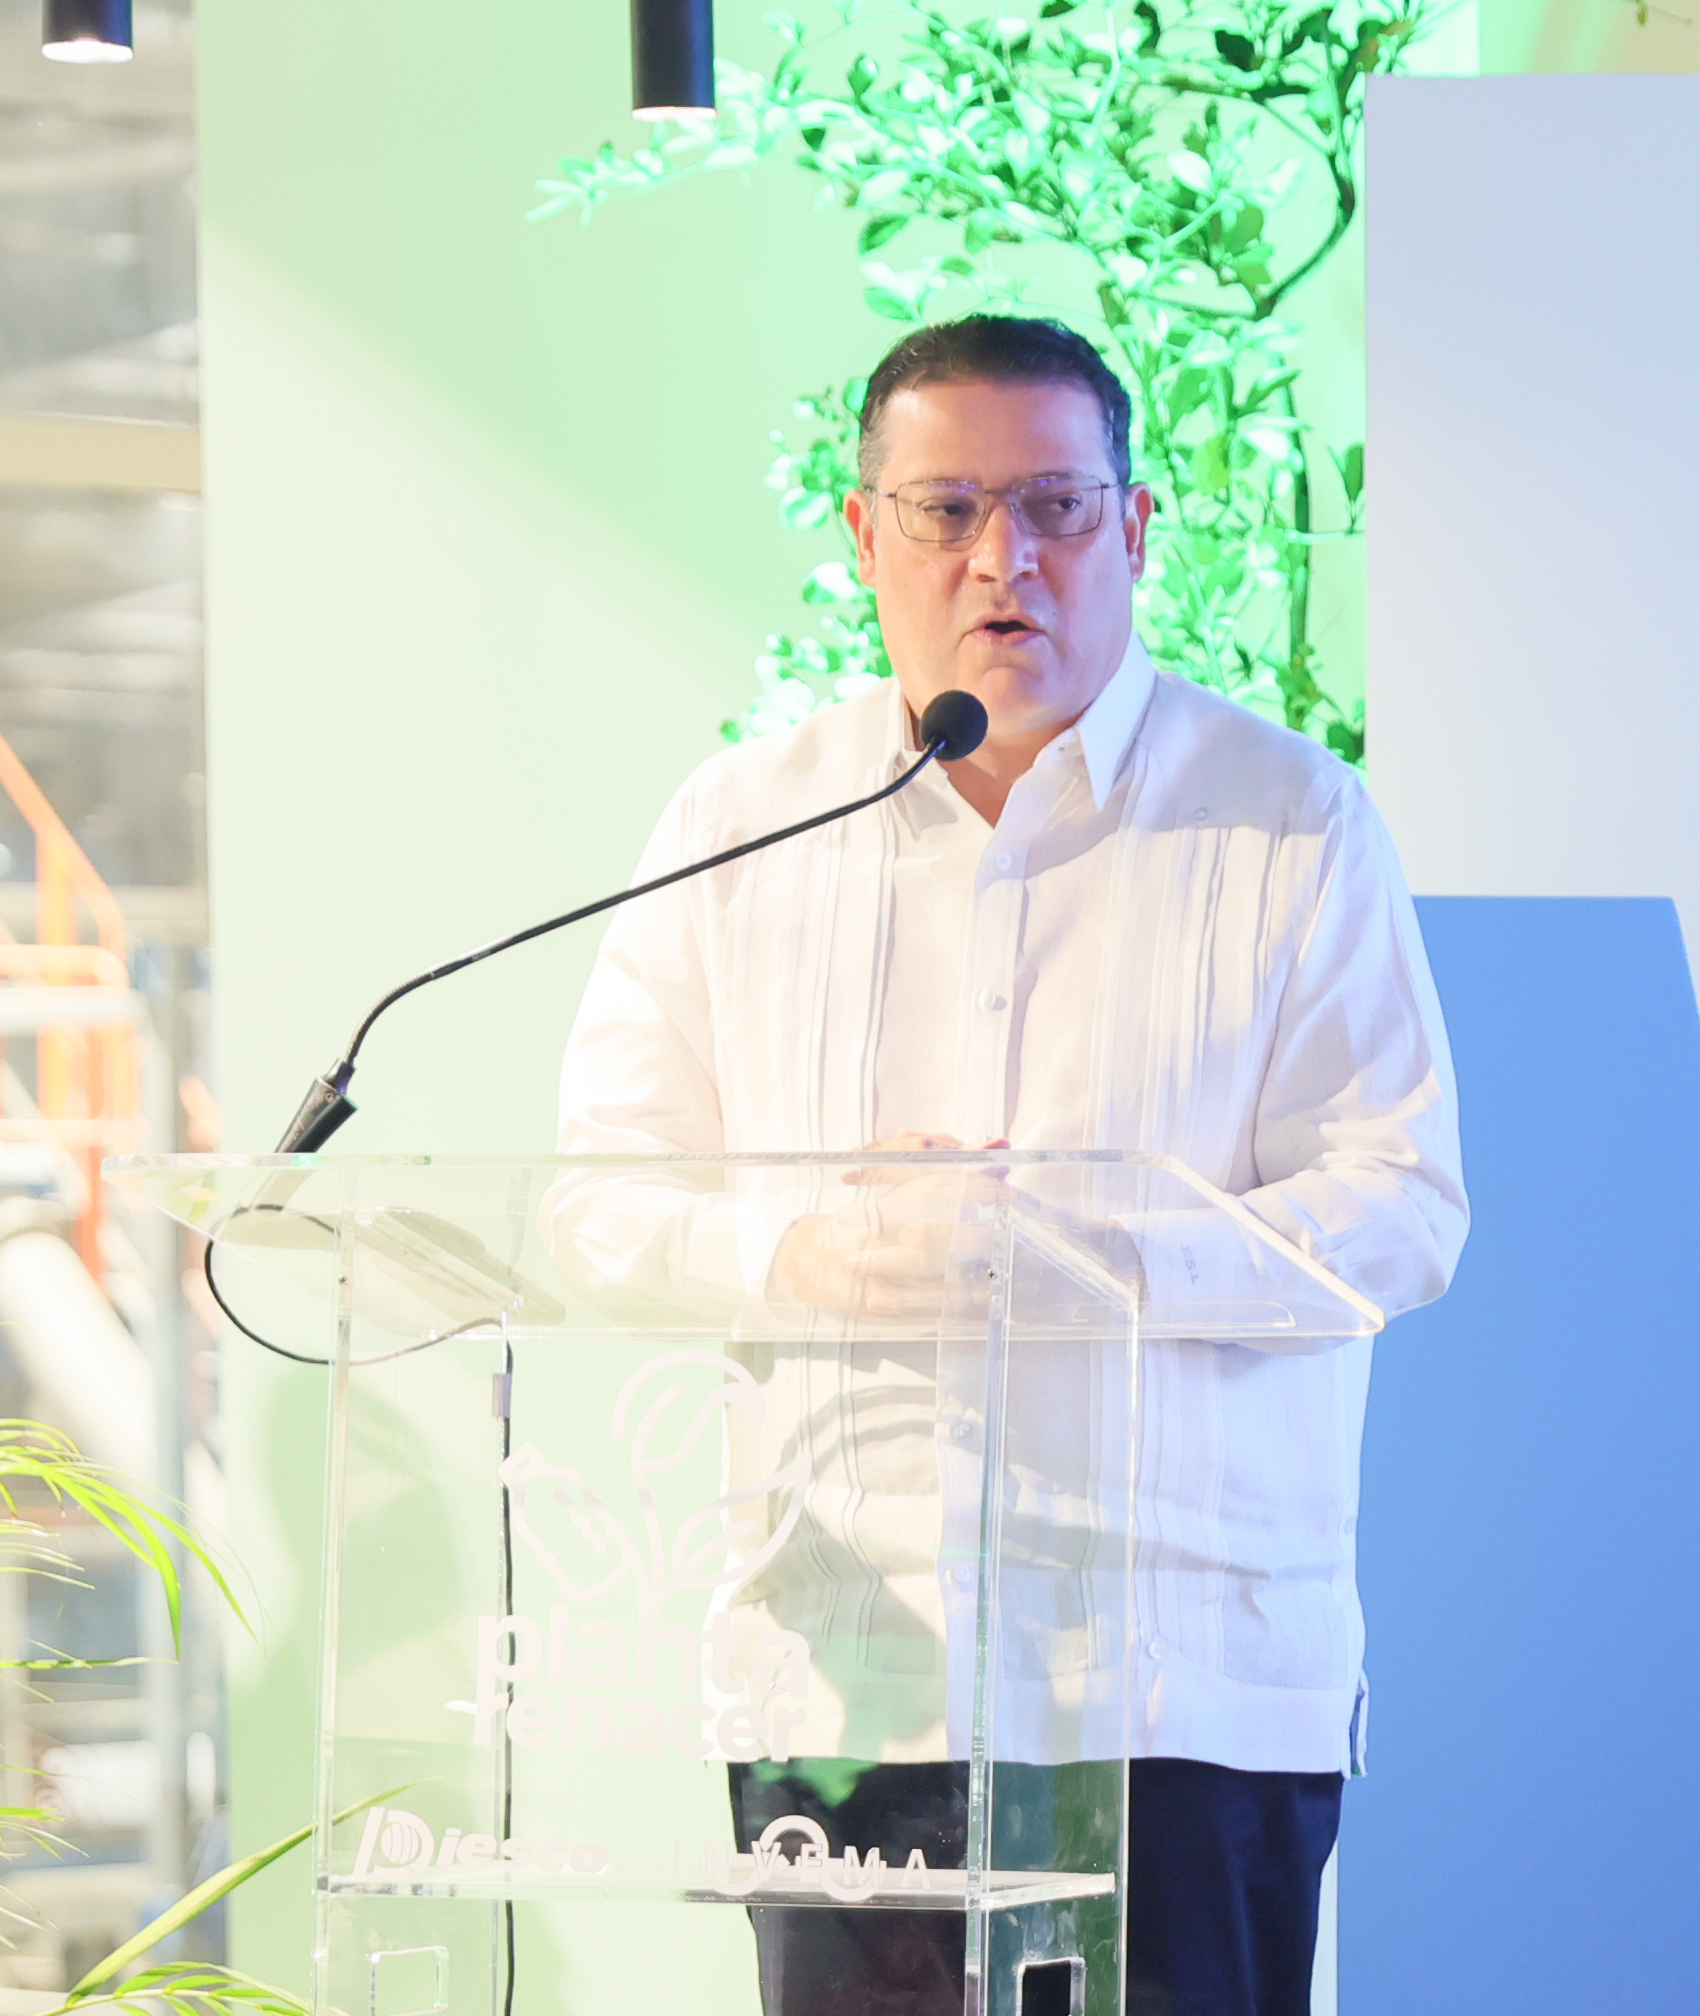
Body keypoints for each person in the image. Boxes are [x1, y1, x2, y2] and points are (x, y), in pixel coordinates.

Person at [558, 315, 1465, 2016]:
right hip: (850, 1685)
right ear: (863, 534)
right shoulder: (740, 827)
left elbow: (1400, 1208)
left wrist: (1099, 1256)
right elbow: (598, 1201)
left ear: (1134, 530)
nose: (1003, 560)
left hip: (1183, 1693)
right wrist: (797, 1253)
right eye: (946, 510)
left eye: (1055, 506)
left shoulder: (1290, 823)